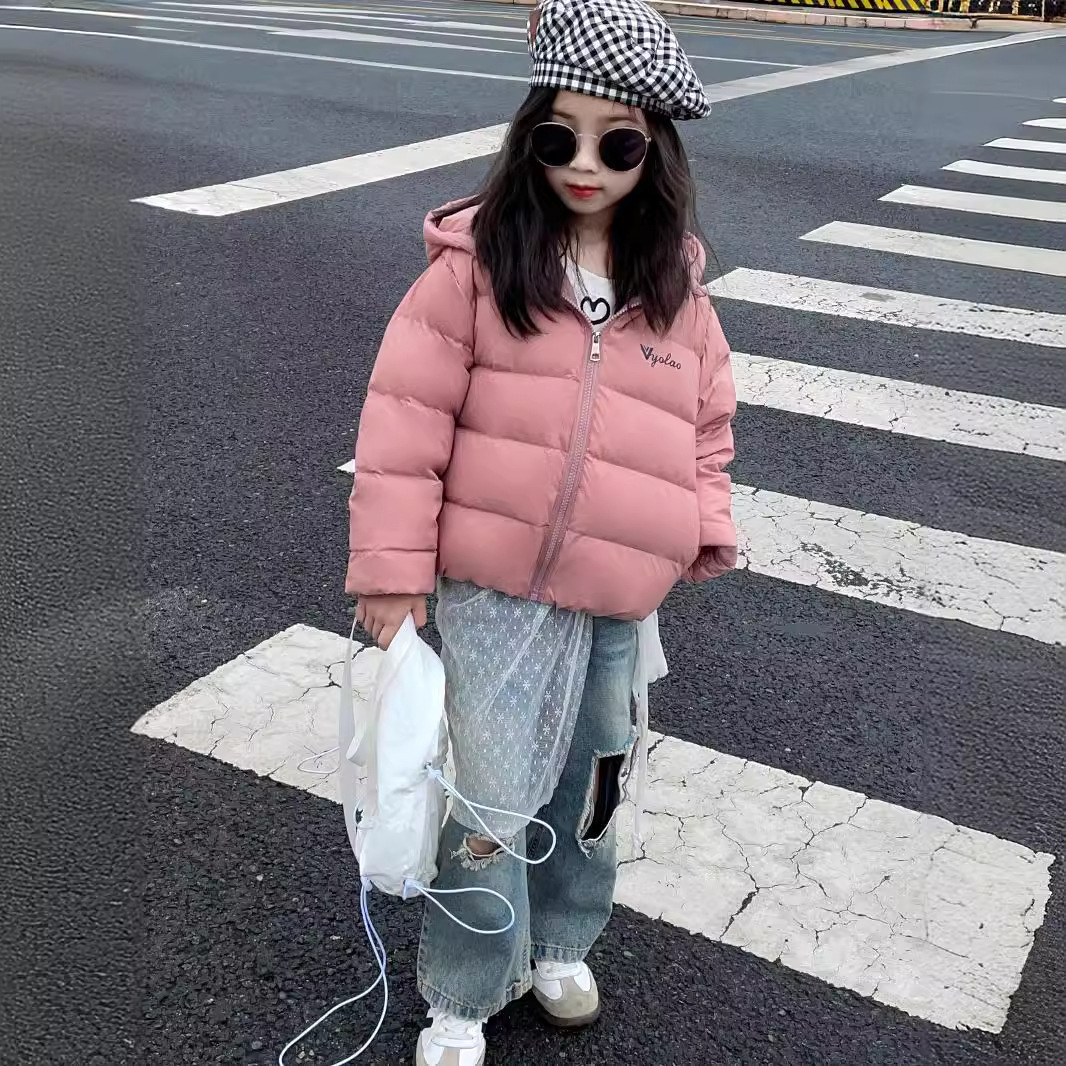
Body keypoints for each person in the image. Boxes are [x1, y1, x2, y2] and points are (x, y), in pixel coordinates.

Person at [346, 0, 737, 1061]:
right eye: (559, 139)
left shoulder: (676, 293)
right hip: (493, 594)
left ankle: (563, 942)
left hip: (616, 599)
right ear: (530, 141)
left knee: (593, 788)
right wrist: (390, 572)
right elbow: (402, 424)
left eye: (617, 145)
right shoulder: (475, 270)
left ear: (654, 157)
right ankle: (463, 992)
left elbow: (707, 425)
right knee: (486, 801)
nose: (585, 166)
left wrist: (699, 525)